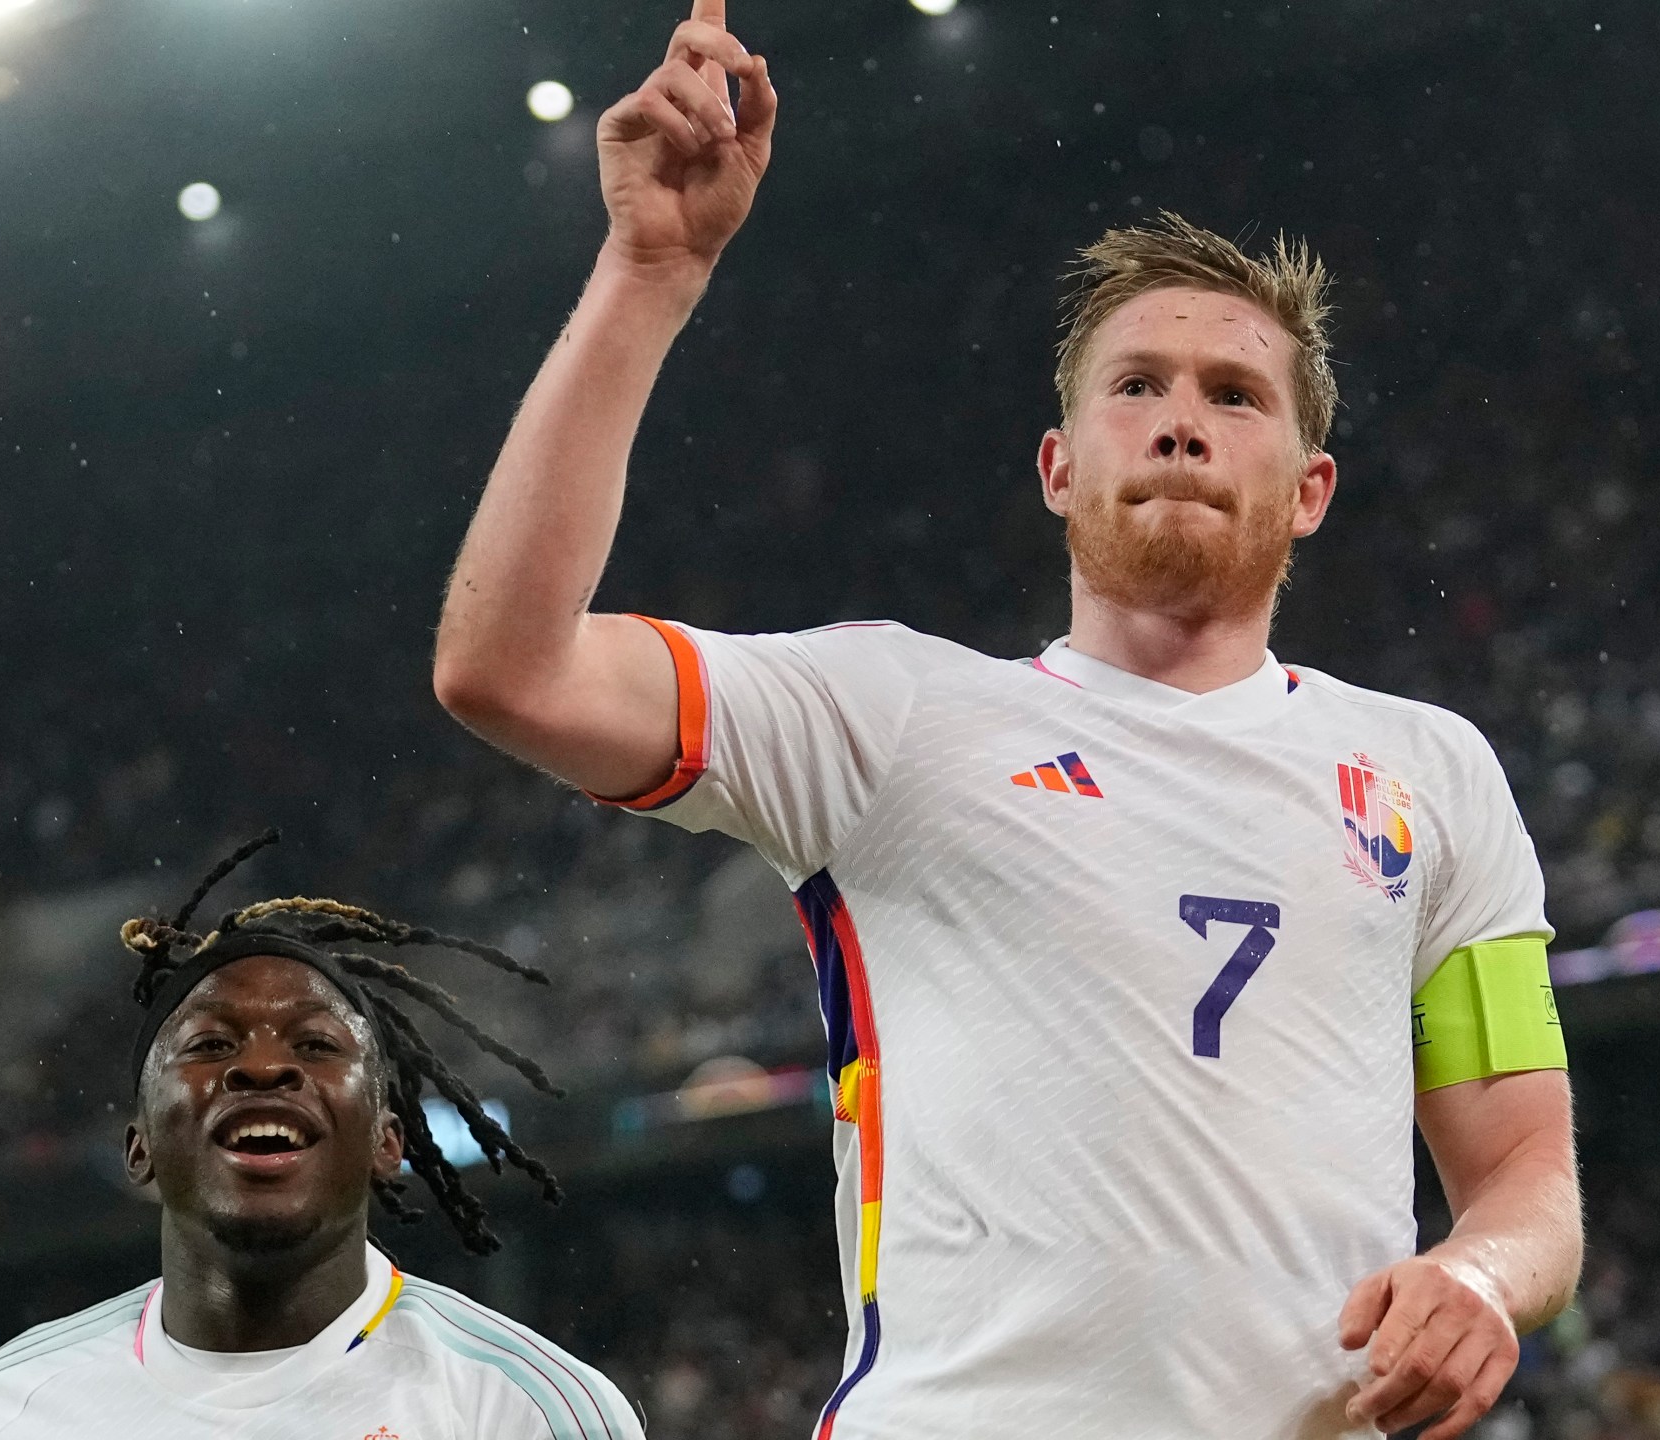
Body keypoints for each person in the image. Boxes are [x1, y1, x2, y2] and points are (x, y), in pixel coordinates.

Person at [429, 5, 1581, 1437]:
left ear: (1309, 489)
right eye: (1137, 387)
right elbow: (507, 667)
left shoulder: (1434, 774)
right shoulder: (889, 717)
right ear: (1056, 464)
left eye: (1235, 395)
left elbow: (1527, 1166)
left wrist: (1476, 1276)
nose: (1181, 421)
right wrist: (648, 273)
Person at [0, 832, 641, 1440]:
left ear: (387, 1143)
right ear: (141, 1152)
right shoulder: (15, 1406)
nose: (262, 1065)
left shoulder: (528, 1412)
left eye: (314, 1044)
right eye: (211, 1043)